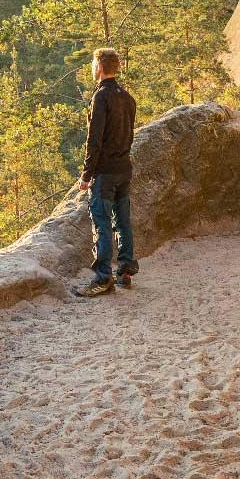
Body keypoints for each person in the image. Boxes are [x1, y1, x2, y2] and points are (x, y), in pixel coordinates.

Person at [73, 47, 138, 298]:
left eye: (92, 64)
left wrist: (86, 175)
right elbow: (129, 135)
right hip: (124, 169)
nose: (92, 68)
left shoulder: (101, 98)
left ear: (99, 67)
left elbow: (94, 140)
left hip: (105, 173)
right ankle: (125, 271)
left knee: (101, 225)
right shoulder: (127, 97)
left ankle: (102, 279)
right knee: (123, 222)